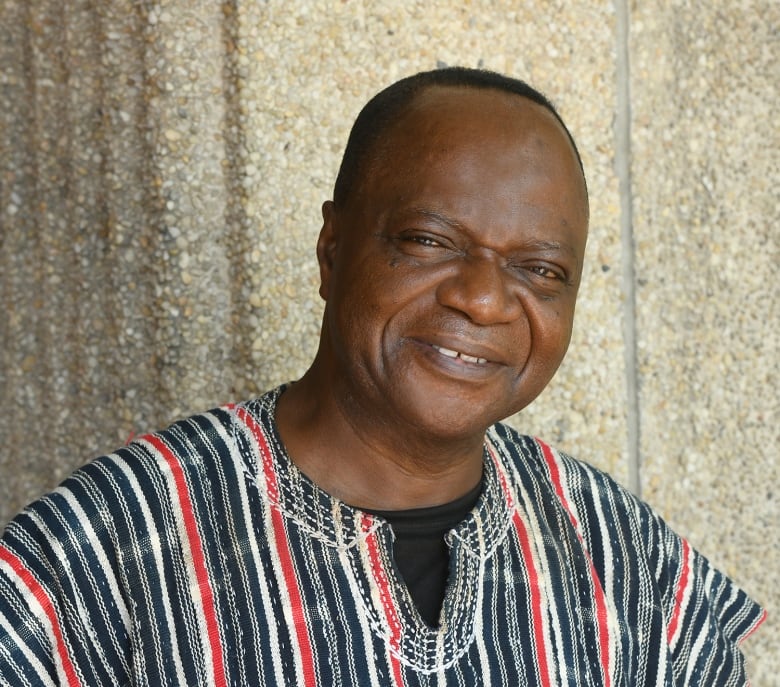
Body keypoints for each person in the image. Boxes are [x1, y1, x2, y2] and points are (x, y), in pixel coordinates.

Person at [0, 67, 764, 686]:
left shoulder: (626, 560)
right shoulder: (99, 555)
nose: (485, 297)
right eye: (430, 240)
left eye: (540, 269)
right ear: (333, 250)